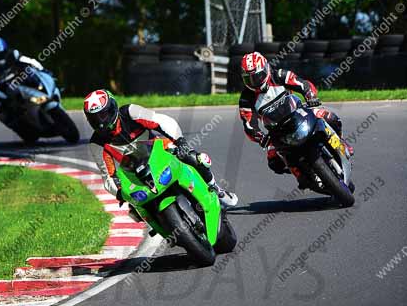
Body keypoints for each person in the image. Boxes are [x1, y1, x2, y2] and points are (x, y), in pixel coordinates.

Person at [84, 88, 238, 210]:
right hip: (134, 173)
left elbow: (162, 121)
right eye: (95, 118)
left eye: (103, 115)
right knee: (134, 208)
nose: (101, 122)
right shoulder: (96, 143)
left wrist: (180, 142)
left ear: (113, 108)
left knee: (193, 157)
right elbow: (108, 176)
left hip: (159, 150)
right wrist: (119, 193)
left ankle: (215, 188)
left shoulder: (130, 112)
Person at [238, 52, 353, 186]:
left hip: (298, 113)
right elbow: (249, 124)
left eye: (257, 77)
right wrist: (260, 137)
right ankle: (300, 173)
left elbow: (302, 84)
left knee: (331, 118)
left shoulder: (279, 75)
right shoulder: (246, 99)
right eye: (249, 79)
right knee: (274, 162)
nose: (254, 82)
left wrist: (310, 96)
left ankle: (341, 142)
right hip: (275, 131)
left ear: (266, 69)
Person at [0, 37, 43, 123]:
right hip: (1, 93)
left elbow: (31, 61)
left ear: (6, 51)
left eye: (1, 54)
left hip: (18, 84)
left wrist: (42, 69)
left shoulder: (13, 54)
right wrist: (7, 99)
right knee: (4, 111)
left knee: (32, 75)